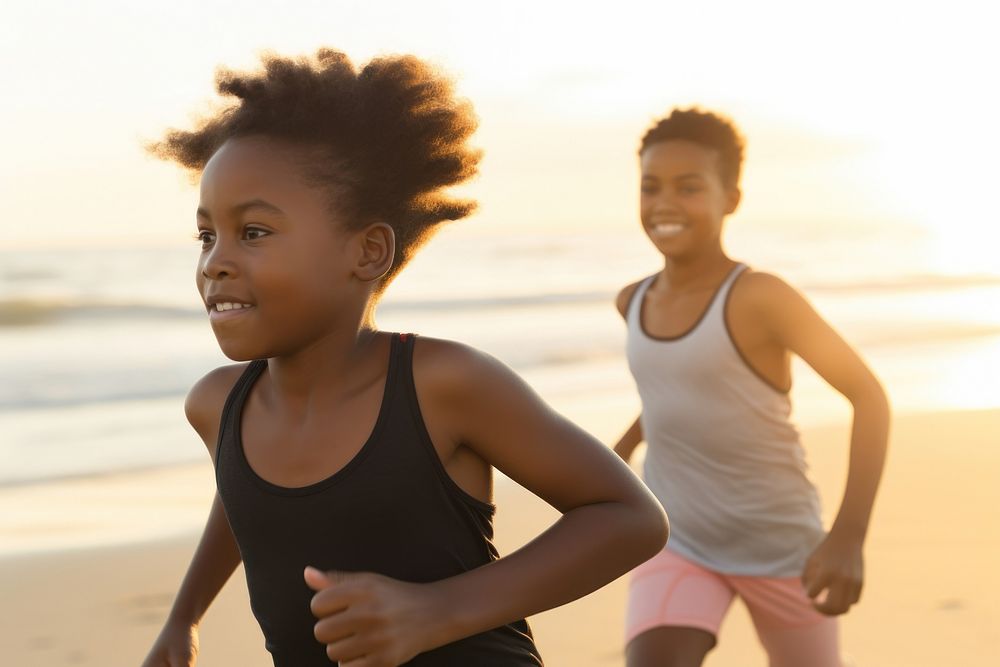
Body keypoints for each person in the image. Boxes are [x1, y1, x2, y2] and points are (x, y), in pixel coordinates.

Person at [140, 49, 668, 667]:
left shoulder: (442, 386)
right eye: (207, 235)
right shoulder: (217, 405)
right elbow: (243, 501)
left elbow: (629, 517)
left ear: (367, 251)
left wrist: (437, 611)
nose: (216, 262)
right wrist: (184, 616)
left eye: (253, 232)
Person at [613, 108, 890, 667]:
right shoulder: (632, 301)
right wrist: (619, 451)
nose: (665, 203)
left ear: (730, 198)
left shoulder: (761, 297)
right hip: (677, 538)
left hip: (782, 550)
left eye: (689, 187)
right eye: (650, 186)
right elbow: (672, 390)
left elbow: (869, 397)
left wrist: (848, 537)